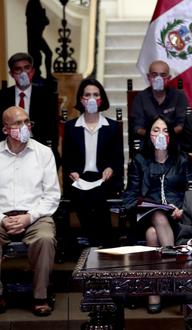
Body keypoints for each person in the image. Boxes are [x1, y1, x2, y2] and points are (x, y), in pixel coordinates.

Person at [123, 115, 192, 313]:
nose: (161, 135)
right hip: (145, 216)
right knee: (157, 214)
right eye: (156, 130)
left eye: (165, 130)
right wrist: (147, 206)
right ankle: (177, 278)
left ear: (171, 136)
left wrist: (183, 209)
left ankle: (154, 292)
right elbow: (129, 197)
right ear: (149, 135)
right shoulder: (139, 160)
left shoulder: (182, 159)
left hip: (178, 218)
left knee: (152, 235)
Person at [0, 106, 60, 316]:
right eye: (18, 123)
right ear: (6, 129)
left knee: (44, 238)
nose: (24, 126)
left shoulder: (43, 153)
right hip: (2, 215)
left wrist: (29, 217)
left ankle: (40, 296)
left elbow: (52, 195)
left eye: (27, 122)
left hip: (35, 215)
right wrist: (2, 219)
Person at [62, 79, 124, 247]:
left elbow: (118, 159)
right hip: (79, 178)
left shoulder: (111, 126)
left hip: (103, 178)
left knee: (97, 194)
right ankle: (104, 243)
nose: (91, 99)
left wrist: (111, 168)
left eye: (95, 95)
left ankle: (95, 243)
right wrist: (72, 172)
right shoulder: (71, 127)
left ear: (101, 98)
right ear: (81, 99)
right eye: (87, 95)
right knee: (83, 194)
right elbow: (66, 159)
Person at [0, 53, 59, 165]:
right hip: (9, 151)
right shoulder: (2, 97)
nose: (23, 73)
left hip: (38, 150)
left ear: (32, 71)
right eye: (18, 69)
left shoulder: (47, 96)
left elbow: (52, 130)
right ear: (11, 73)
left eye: (27, 68)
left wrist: (50, 153)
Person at [130, 60, 189, 138]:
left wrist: (165, 136)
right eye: (154, 75)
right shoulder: (140, 98)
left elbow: (182, 125)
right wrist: (154, 136)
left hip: (173, 142)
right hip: (148, 142)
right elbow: (137, 127)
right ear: (148, 77)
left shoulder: (178, 96)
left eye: (163, 75)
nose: (158, 78)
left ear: (169, 78)